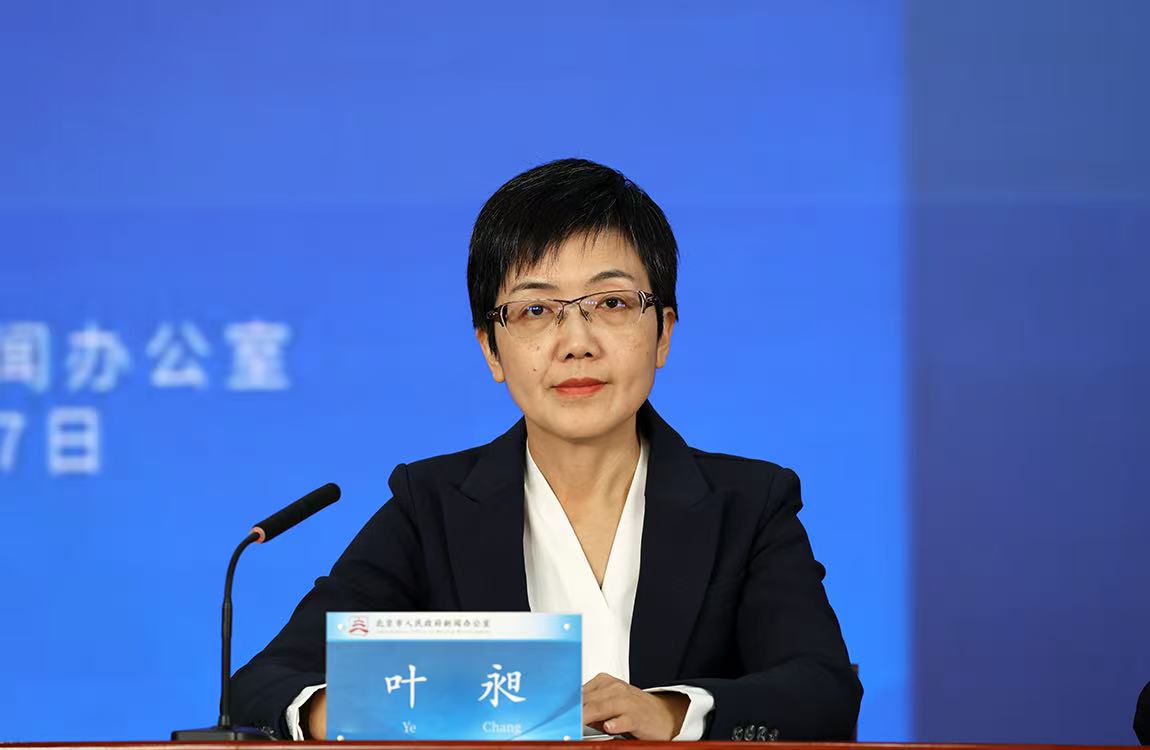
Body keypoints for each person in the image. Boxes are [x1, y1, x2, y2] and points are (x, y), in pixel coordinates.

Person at [231, 158, 862, 741]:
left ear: (663, 333)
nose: (576, 342)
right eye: (535, 310)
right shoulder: (432, 507)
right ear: (491, 349)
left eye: (611, 303)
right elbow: (261, 686)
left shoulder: (748, 504)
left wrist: (674, 712)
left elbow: (824, 691)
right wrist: (369, 708)